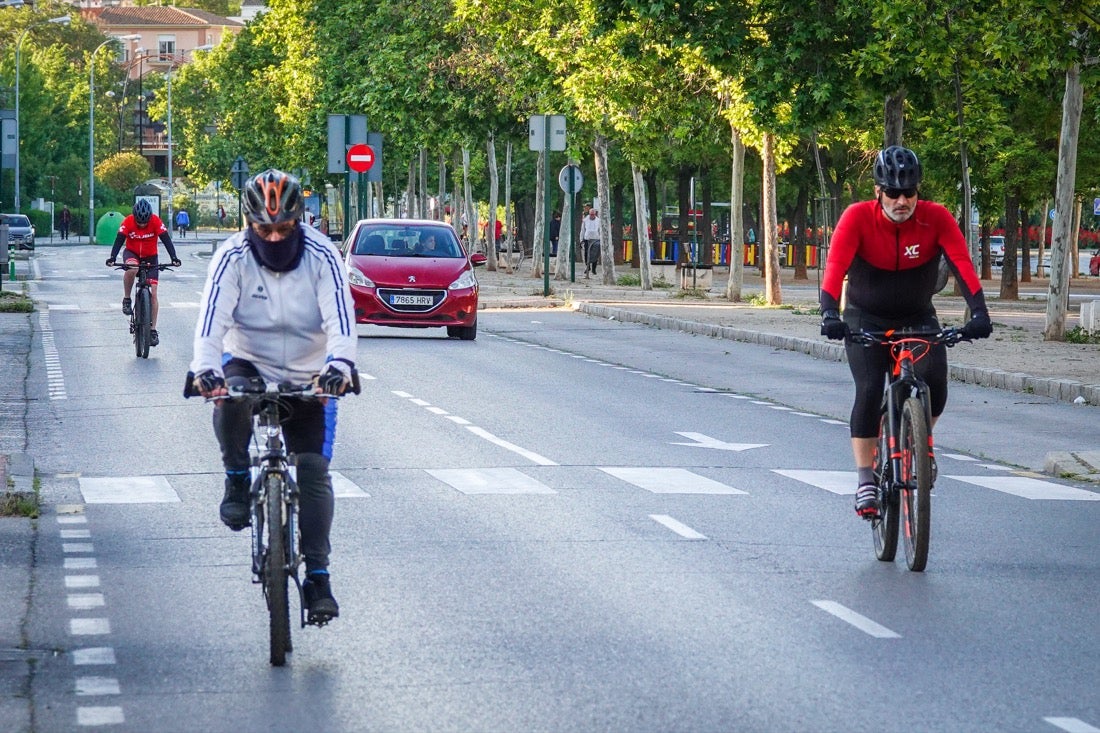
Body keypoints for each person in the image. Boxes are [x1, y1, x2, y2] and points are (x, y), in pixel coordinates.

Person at [188, 169, 357, 624]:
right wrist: (205, 369)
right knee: (228, 397)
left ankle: (318, 577)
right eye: (265, 229)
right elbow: (210, 324)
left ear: (301, 220)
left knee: (315, 471)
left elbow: (342, 320)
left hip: (311, 372)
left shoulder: (323, 256)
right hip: (249, 361)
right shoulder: (232, 257)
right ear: (248, 224)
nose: (275, 237)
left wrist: (340, 367)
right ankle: (237, 476)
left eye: (285, 228)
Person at [818, 145, 992, 520]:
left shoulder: (936, 218)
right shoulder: (856, 218)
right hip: (866, 318)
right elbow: (835, 267)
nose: (901, 201)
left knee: (936, 380)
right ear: (878, 191)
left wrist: (980, 313)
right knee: (868, 389)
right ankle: (866, 478)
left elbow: (961, 263)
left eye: (909, 193)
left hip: (917, 317)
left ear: (918, 191)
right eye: (893, 193)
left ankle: (919, 441)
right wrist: (829, 313)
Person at [105, 199, 181, 348]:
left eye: (144, 222)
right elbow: (119, 240)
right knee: (132, 268)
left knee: (153, 293)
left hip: (151, 257)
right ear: (134, 217)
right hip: (132, 253)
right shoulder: (128, 222)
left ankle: (152, 330)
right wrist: (113, 257)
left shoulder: (155, 221)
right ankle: (127, 299)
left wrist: (174, 257)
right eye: (139, 222)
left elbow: (166, 240)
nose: (141, 225)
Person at [580, 206, 601, 278]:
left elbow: (600, 231)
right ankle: (587, 266)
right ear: (589, 214)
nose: (592, 216)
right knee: (586, 253)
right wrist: (581, 239)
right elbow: (582, 230)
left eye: (593, 214)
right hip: (587, 238)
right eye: (591, 214)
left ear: (595, 214)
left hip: (596, 239)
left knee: (595, 254)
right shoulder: (585, 220)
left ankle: (594, 268)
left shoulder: (598, 221)